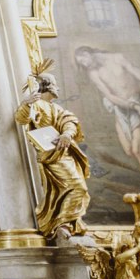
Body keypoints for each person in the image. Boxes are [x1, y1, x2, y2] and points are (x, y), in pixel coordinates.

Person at [75, 46, 140, 194]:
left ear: (88, 53)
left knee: (138, 150)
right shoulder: (93, 73)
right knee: (131, 151)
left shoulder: (118, 58)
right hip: (122, 108)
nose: (84, 64)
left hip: (137, 101)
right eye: (81, 64)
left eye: (84, 60)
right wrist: (134, 107)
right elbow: (110, 96)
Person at [15, 60, 89, 238]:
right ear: (47, 86)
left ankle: (67, 224)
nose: (58, 88)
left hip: (64, 153)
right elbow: (21, 119)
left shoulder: (57, 108)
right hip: (50, 153)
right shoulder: (37, 105)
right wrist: (27, 104)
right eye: (55, 84)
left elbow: (69, 122)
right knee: (78, 188)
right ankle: (61, 223)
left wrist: (67, 134)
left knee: (77, 188)